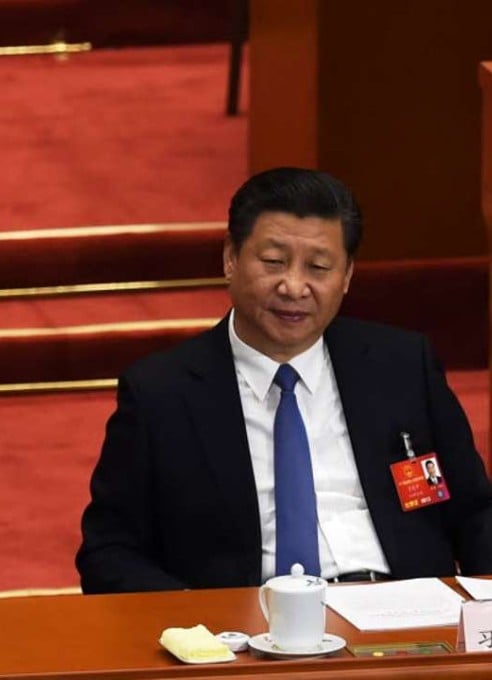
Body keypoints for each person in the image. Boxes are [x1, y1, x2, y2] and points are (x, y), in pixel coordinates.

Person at [77, 167, 492, 593]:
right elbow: (109, 551)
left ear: (347, 276)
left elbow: (477, 511)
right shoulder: (161, 392)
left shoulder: (401, 365)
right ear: (230, 258)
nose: (294, 287)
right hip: (248, 619)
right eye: (274, 262)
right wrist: (195, 617)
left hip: (403, 610)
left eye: (318, 267)